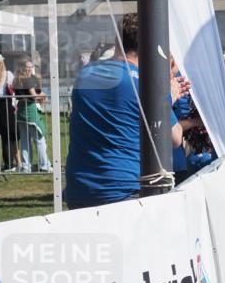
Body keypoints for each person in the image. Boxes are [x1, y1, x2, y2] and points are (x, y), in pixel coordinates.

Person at [65, 13, 186, 209]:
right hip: (124, 190)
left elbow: (119, 110)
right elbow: (174, 138)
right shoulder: (146, 85)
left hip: (80, 189)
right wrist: (168, 96)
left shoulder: (84, 75)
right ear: (152, 44)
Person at [13, 58, 52, 172]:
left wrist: (41, 95)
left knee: (25, 140)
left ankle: (26, 166)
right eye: (27, 67)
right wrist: (43, 97)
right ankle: (45, 165)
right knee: (39, 139)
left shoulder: (16, 79)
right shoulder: (28, 80)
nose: (30, 69)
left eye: (31, 67)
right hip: (29, 110)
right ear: (22, 68)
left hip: (21, 111)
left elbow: (36, 93)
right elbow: (35, 96)